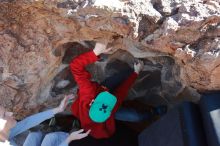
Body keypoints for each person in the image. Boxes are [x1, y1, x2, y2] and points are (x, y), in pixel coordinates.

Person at [69, 42, 146, 139]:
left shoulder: (88, 92)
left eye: (104, 97)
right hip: (110, 112)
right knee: (136, 117)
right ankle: (152, 112)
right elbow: (121, 92)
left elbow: (75, 67)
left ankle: (135, 67)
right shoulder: (111, 108)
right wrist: (136, 74)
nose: (107, 94)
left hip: (100, 90)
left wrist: (95, 52)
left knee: (122, 76)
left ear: (93, 101)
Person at [0, 95, 90, 146]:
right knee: (51, 137)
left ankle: (49, 130)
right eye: (4, 115)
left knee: (34, 134)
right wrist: (68, 140)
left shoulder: (2, 132)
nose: (10, 113)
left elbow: (27, 122)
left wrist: (58, 109)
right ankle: (70, 136)